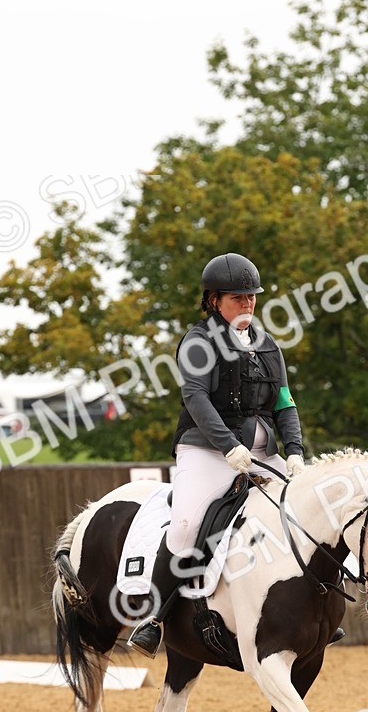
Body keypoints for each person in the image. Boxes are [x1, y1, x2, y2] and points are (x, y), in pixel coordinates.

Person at [128, 252, 306, 656]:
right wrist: (229, 446)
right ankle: (153, 618)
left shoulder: (266, 345)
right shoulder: (198, 342)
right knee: (187, 524)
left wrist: (294, 450)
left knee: (304, 517)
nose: (247, 304)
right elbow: (195, 397)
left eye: (251, 297)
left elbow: (283, 401)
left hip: (263, 452)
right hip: (206, 449)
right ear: (213, 300)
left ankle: (312, 613)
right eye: (237, 298)